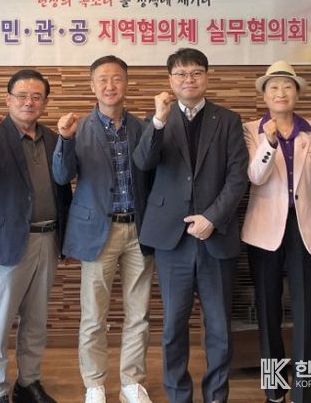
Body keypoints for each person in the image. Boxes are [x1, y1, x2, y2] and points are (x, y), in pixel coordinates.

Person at [133, 48, 248, 403]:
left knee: (219, 328)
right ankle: (178, 395)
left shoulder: (227, 120)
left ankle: (216, 396)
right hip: (173, 239)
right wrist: (157, 120)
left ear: (207, 77)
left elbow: (237, 176)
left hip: (216, 235)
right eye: (181, 74)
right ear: (170, 80)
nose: (189, 79)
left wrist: (212, 217)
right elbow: (143, 163)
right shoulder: (156, 120)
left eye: (196, 72)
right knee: (173, 326)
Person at [0, 69, 72, 403]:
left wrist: (67, 239)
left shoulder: (52, 138)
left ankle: (28, 383)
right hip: (7, 243)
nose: (28, 102)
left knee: (36, 320)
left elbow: (64, 187)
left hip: (47, 238)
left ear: (45, 103)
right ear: (8, 99)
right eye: (21, 96)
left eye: (36, 97)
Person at [52, 55, 155, 403]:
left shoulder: (142, 127)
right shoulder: (78, 128)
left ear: (126, 83)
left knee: (139, 312)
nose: (110, 86)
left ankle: (131, 383)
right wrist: (64, 139)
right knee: (94, 315)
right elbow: (61, 175)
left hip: (138, 231)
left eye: (117, 78)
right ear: (92, 86)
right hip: (98, 230)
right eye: (103, 79)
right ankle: (94, 384)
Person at [241, 61, 311, 403]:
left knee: (307, 312)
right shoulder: (251, 130)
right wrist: (268, 143)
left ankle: (305, 393)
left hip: (305, 229)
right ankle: (274, 390)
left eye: (287, 87)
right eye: (273, 87)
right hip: (264, 231)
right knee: (268, 312)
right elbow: (255, 177)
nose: (280, 93)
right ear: (264, 95)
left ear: (297, 93)